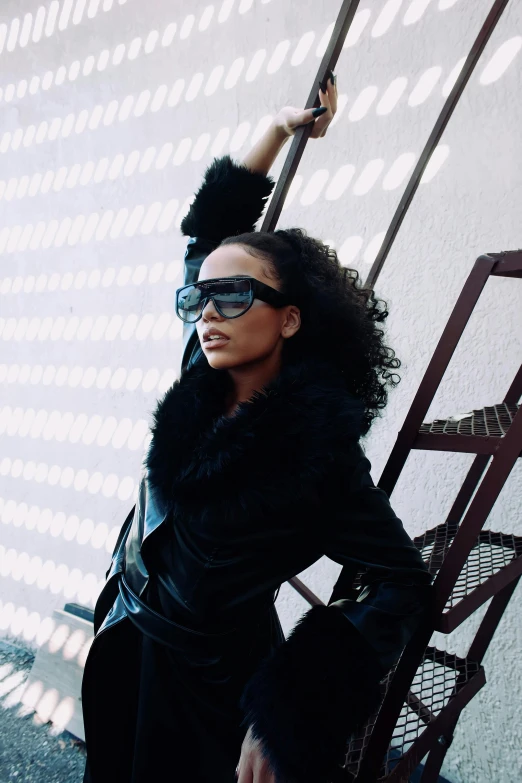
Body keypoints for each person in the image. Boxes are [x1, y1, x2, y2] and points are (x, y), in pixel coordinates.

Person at [81, 72, 434, 783]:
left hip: (207, 693)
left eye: (234, 296)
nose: (209, 312)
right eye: (199, 299)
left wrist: (291, 712)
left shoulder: (314, 452)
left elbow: (399, 583)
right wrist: (277, 128)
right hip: (124, 641)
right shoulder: (199, 381)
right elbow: (210, 232)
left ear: (290, 317)